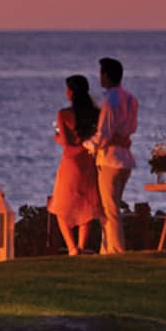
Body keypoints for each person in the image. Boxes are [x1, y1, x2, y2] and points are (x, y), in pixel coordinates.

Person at [86, 56, 138, 254]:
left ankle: (116, 250)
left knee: (109, 208)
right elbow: (131, 127)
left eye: (101, 73)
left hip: (110, 160)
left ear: (106, 76)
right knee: (111, 206)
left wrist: (86, 144)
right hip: (125, 160)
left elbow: (104, 134)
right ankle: (106, 248)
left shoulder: (110, 100)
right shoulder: (131, 99)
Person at [47, 75, 103, 255]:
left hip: (71, 163)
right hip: (88, 161)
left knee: (61, 206)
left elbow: (67, 143)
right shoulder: (95, 113)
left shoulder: (64, 115)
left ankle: (72, 248)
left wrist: (57, 137)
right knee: (86, 204)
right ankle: (81, 245)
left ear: (71, 92)